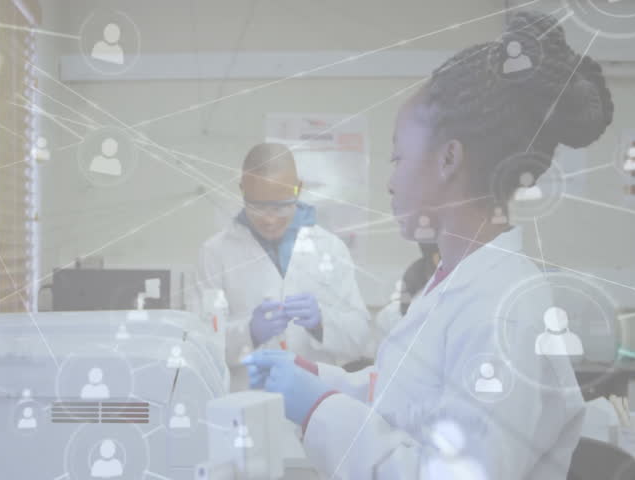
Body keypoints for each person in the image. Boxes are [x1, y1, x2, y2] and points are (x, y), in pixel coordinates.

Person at [242, 11, 613, 479]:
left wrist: (320, 408)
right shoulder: (456, 286)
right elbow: (407, 401)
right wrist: (320, 381)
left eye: (398, 155)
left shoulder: (500, 310)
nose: (391, 180)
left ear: (448, 159)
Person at [195, 143, 371, 391]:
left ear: (298, 190)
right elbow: (200, 347)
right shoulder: (214, 253)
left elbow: (360, 338)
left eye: (280, 206)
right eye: (256, 206)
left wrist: (321, 323)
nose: (269, 219)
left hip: (316, 406)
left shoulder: (330, 248)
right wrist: (249, 333)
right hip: (245, 408)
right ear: (242, 190)